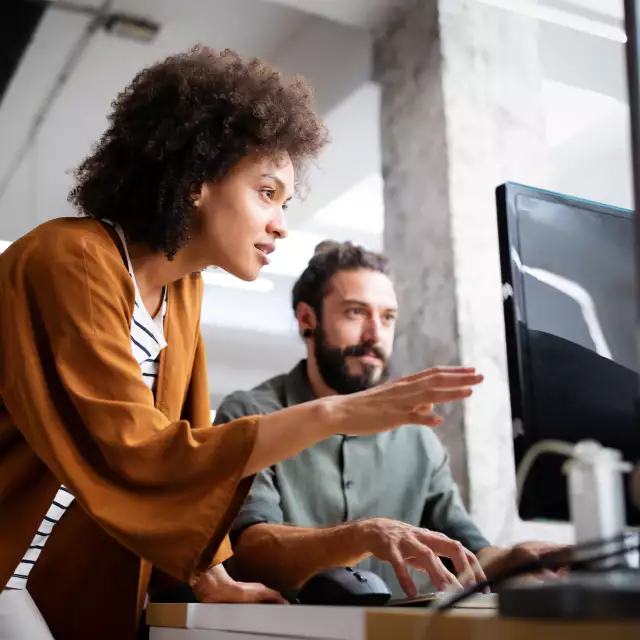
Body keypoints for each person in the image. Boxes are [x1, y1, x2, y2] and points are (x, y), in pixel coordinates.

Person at [0, 48, 484, 639]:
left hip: (60, 576)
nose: (281, 222)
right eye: (266, 192)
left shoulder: (182, 294)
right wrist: (336, 412)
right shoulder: (71, 260)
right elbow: (140, 451)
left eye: (284, 202)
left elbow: (189, 457)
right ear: (196, 179)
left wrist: (216, 581)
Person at [217, 241, 563, 599]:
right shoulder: (250, 415)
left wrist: (516, 560)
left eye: (388, 317)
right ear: (307, 319)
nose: (374, 335)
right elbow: (250, 553)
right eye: (355, 313)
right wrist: (361, 534)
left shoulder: (417, 436)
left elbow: (468, 553)